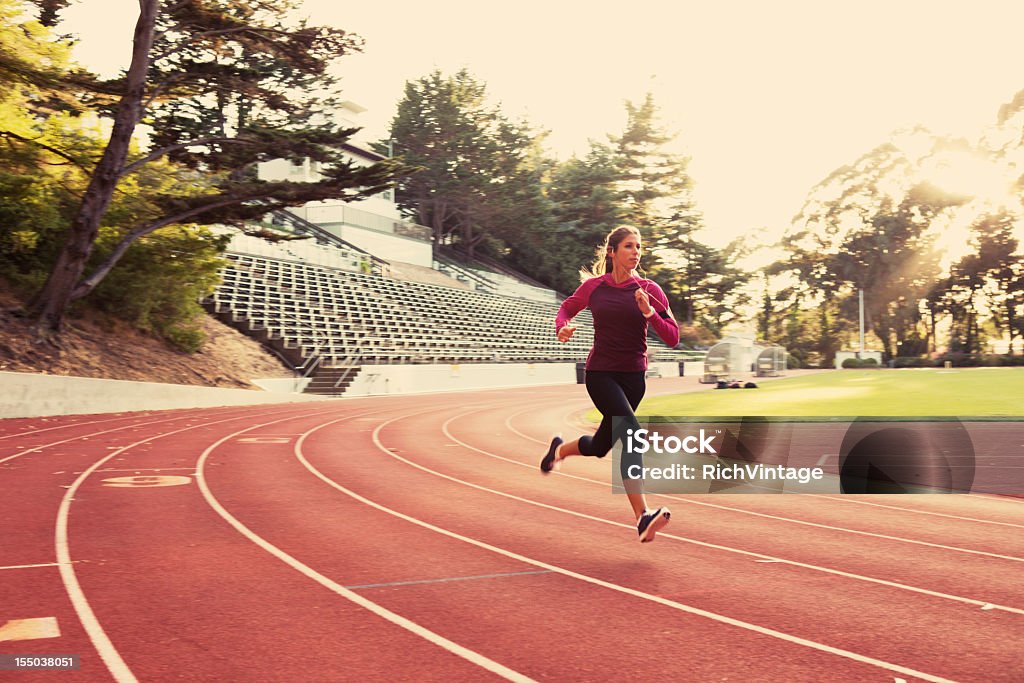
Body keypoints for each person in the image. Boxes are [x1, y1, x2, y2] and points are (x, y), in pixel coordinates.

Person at [540, 225, 680, 543]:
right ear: (613, 251)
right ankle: (642, 516)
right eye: (629, 246)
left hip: (634, 380)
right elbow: (567, 308)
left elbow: (673, 337)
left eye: (639, 247)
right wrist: (562, 326)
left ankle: (558, 450)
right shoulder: (595, 287)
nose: (636, 252)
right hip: (601, 374)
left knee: (601, 446)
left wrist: (649, 314)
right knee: (630, 431)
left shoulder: (650, 289)